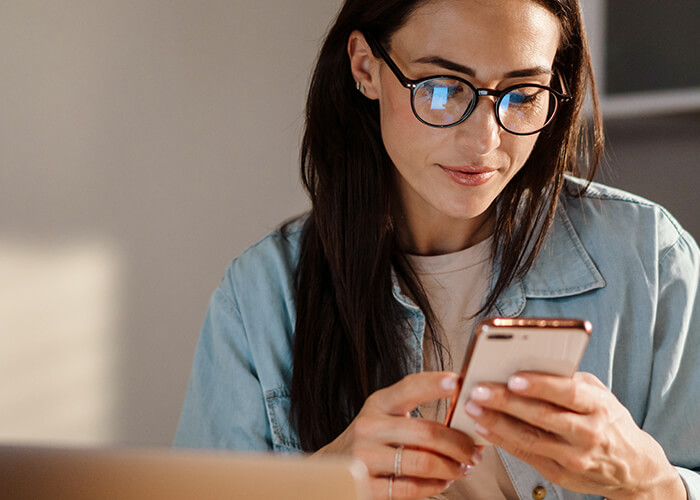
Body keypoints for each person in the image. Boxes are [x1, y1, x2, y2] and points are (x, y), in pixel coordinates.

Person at [174, 0, 700, 499]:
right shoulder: (260, 296)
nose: (483, 142)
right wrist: (324, 482)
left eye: (522, 94)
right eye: (443, 87)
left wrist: (651, 483)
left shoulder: (649, 258)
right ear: (365, 67)